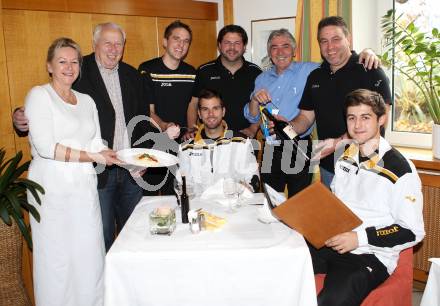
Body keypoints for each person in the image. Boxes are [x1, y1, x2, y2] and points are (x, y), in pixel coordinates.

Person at [13, 22, 178, 251]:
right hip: (96, 174)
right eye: (107, 43)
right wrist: (21, 114)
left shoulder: (133, 75)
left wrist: (142, 160)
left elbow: (141, 122)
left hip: (131, 172)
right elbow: (52, 99)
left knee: (137, 238)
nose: (113, 49)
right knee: (100, 241)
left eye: (118, 44)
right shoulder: (78, 71)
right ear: (94, 44)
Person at [309, 88, 425, 306]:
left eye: (365, 117)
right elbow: (336, 204)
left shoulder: (400, 170)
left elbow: (412, 231)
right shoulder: (345, 157)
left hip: (370, 255)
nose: (357, 125)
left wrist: (359, 238)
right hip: (333, 243)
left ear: (381, 119)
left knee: (331, 301)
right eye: (351, 118)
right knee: (284, 262)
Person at [25, 37, 118, 306]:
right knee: (57, 261)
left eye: (74, 61)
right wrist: (92, 155)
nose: (69, 67)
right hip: (51, 189)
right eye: (62, 61)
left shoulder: (88, 101)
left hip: (83, 187)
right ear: (49, 66)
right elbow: (45, 147)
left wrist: (111, 154)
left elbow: (96, 141)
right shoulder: (39, 95)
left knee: (90, 256)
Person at [244, 28, 380, 197]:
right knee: (269, 201)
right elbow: (252, 116)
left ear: (294, 51)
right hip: (270, 147)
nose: (280, 52)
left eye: (285, 46)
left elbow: (338, 59)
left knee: (299, 203)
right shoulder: (261, 78)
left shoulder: (311, 70)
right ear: (269, 52)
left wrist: (368, 51)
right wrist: (254, 100)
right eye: (274, 47)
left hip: (299, 145)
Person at [285, 16, 392, 188]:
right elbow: (305, 118)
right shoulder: (315, 76)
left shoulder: (370, 69)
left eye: (336, 39)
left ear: (348, 39)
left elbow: (380, 120)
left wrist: (336, 143)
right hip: (329, 168)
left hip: (366, 166)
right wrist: (287, 127)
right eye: (324, 41)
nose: (330, 47)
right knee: (331, 215)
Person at [138, 20, 196, 195]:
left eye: (186, 41)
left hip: (181, 148)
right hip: (153, 145)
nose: (181, 45)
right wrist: (164, 126)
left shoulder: (191, 72)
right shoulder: (147, 69)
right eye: (176, 39)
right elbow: (148, 111)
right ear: (165, 42)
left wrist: (191, 128)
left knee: (178, 195)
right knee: (150, 199)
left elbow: (192, 105)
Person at [184, 24, 261, 140]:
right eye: (227, 43)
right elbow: (193, 104)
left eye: (237, 43)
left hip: (245, 139)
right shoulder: (204, 71)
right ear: (219, 45)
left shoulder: (256, 72)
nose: (232, 47)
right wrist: (192, 129)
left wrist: (253, 128)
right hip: (211, 139)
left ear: (244, 47)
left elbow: (262, 107)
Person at [179, 88, 259, 194]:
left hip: (232, 206)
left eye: (215, 108)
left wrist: (241, 193)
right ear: (199, 113)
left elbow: (253, 181)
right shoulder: (186, 147)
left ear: (223, 111)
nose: (211, 114)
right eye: (205, 109)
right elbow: (182, 185)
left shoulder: (242, 142)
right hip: (199, 207)